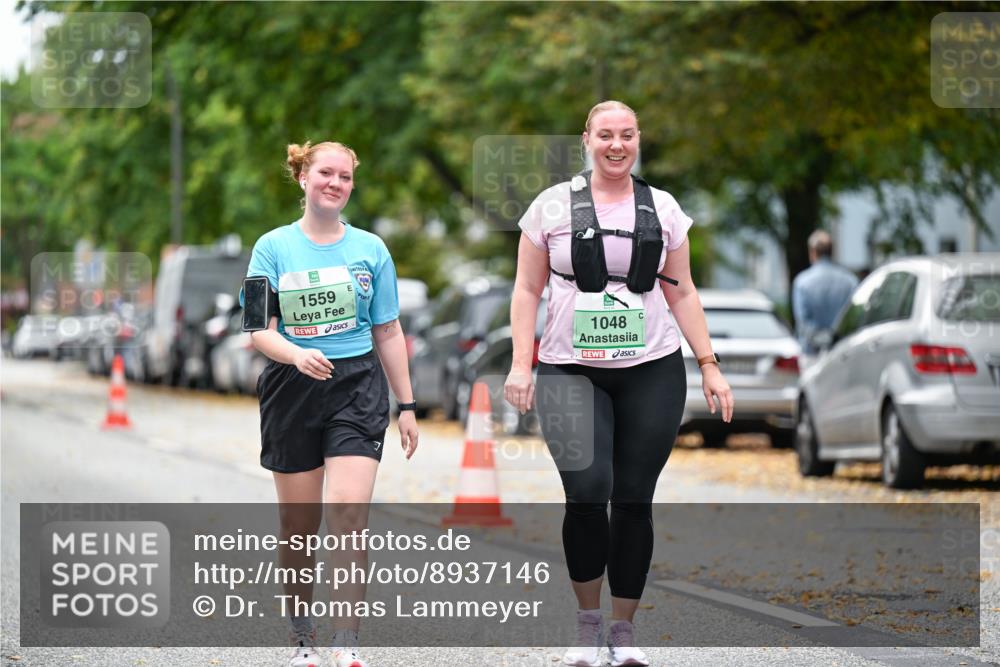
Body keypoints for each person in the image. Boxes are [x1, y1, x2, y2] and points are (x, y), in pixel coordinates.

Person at [504, 101, 734, 667]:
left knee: (633, 498)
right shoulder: (552, 207)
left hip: (651, 369)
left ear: (638, 140)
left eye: (626, 135)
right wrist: (519, 363)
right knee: (587, 491)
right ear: (586, 139)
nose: (616, 145)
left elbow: (681, 290)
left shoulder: (664, 207)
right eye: (605, 135)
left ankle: (624, 633)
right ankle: (587, 628)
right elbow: (526, 291)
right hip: (569, 368)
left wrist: (708, 363)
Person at [245, 140, 419, 667]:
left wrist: (406, 405)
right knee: (300, 524)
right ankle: (304, 642)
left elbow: (388, 329)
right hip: (291, 385)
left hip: (357, 386)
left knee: (348, 513)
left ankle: (346, 645)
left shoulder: (372, 249)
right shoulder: (271, 248)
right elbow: (257, 329)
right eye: (325, 173)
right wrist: (296, 355)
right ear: (303, 178)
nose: (335, 183)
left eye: (345, 176)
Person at [791, 229, 859, 358]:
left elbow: (803, 322)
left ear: (812, 252)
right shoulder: (850, 281)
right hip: (842, 353)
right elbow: (854, 318)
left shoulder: (802, 282)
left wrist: (820, 341)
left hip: (811, 354)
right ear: (832, 252)